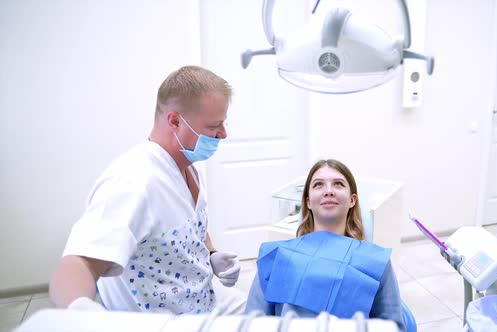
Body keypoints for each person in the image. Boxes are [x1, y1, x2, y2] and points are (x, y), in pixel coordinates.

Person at [49, 65, 245, 315]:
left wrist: (212, 254)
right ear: (175, 120)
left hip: (203, 300)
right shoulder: (133, 182)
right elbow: (76, 266)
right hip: (163, 321)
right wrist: (82, 312)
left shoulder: (188, 167)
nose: (223, 134)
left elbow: (193, 224)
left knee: (267, 311)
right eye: (214, 126)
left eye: (224, 123)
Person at [245, 159, 406, 331]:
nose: (328, 191)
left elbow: (393, 326)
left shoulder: (374, 262)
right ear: (307, 201)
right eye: (318, 185)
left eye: (338, 184)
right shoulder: (277, 255)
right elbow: (252, 324)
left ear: (352, 200)